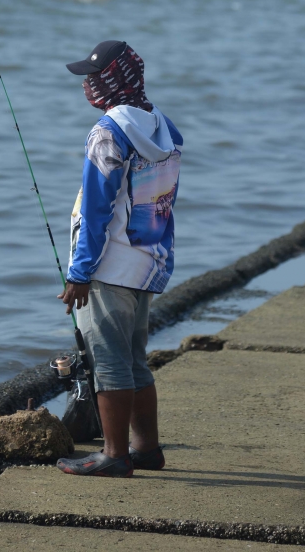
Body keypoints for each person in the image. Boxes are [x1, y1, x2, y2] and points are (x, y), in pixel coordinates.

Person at [56, 40, 183, 477]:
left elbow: (96, 211)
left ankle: (114, 455)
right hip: (147, 262)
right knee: (133, 359)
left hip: (108, 266)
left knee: (107, 359)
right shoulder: (161, 126)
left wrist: (79, 272)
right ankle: (146, 448)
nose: (89, 86)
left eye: (94, 77)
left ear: (111, 81)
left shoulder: (108, 132)